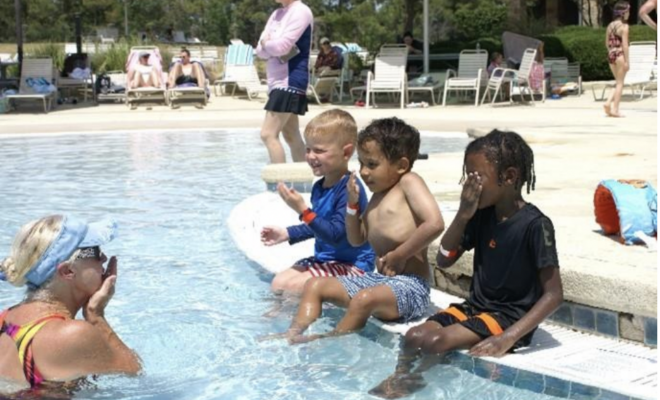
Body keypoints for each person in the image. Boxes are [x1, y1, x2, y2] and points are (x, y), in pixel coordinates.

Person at [370, 130, 563, 399]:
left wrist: (508, 337)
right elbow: (444, 259)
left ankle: (413, 386)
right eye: (467, 177)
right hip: (476, 308)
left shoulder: (535, 225)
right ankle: (401, 378)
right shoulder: (480, 214)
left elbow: (554, 295)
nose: (469, 186)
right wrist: (462, 214)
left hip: (509, 317)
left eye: (476, 177)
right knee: (414, 336)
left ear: (508, 177)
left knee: (435, 342)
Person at [264, 117, 445, 344]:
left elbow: (435, 223)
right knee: (314, 285)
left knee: (363, 299)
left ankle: (328, 340)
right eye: (362, 163)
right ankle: (293, 333)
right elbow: (356, 238)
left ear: (401, 165)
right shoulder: (377, 197)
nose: (364, 172)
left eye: (372, 164)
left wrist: (400, 255)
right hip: (382, 283)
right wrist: (352, 206)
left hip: (411, 287)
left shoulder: (408, 182)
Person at [0, 215, 141, 393]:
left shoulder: (5, 319)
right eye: (95, 251)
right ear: (68, 271)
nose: (104, 258)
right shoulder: (72, 334)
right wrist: (96, 316)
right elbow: (134, 376)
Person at [262, 109, 376, 295]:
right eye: (308, 149)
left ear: (346, 152)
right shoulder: (319, 187)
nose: (310, 156)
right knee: (279, 282)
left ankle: (290, 322)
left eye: (319, 151)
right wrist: (287, 233)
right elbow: (319, 225)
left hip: (354, 267)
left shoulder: (350, 189)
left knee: (292, 288)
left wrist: (302, 210)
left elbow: (336, 235)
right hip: (326, 261)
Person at [256, 0, 313, 164]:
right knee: (291, 135)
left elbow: (281, 47)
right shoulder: (276, 14)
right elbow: (261, 53)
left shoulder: (301, 11)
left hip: (290, 81)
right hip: (277, 83)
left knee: (268, 134)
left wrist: (266, 43)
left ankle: (278, 185)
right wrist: (268, 46)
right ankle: (304, 183)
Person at [604, 1, 631, 118]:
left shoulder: (610, 26)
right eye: (628, 11)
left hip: (611, 54)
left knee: (617, 82)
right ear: (623, 13)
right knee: (620, 83)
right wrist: (627, 61)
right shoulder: (624, 27)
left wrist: (611, 52)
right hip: (620, 54)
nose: (629, 14)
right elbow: (625, 45)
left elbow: (606, 43)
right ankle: (615, 109)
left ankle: (608, 102)